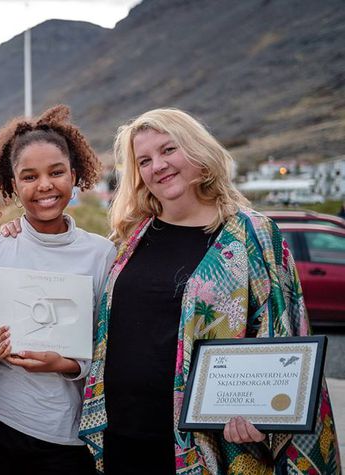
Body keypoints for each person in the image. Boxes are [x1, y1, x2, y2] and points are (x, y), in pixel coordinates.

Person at [78, 108, 341, 474]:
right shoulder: (129, 237)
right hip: (123, 436)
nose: (158, 165)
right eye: (145, 160)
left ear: (198, 150)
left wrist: (266, 414)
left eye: (169, 150)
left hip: (205, 446)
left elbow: (286, 330)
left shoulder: (252, 234)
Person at [0, 105, 117, 475]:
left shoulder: (102, 254)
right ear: (13, 184)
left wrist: (65, 364)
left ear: (75, 174)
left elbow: (108, 348)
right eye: (29, 176)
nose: (45, 186)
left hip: (69, 435)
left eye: (56, 172)